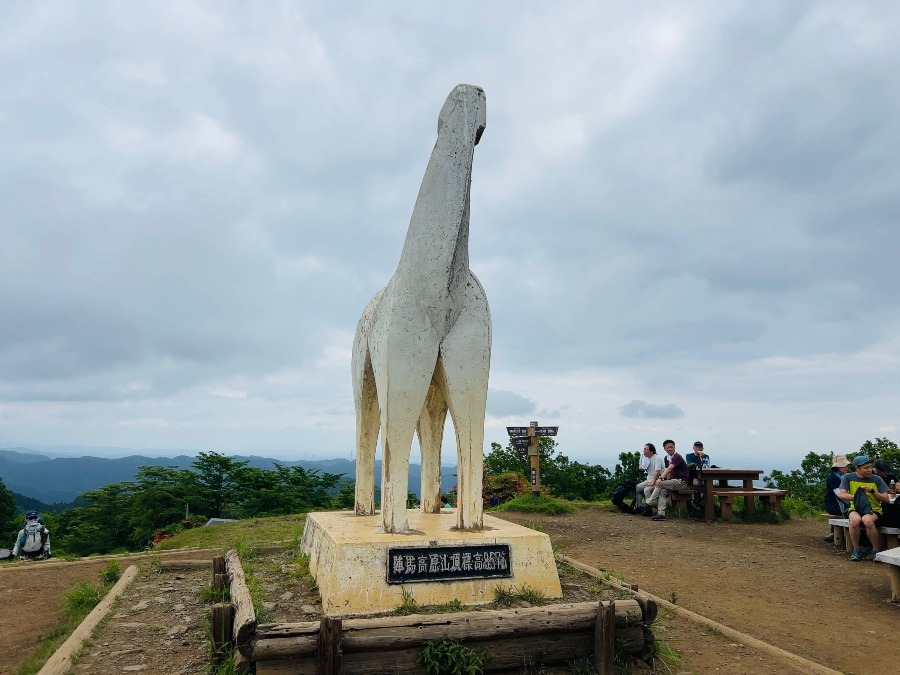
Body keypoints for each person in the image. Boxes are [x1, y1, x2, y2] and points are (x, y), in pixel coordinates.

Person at [839, 455, 889, 561]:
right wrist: (858, 497)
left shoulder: (877, 479)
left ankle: (875, 550)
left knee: (868, 520)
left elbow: (885, 498)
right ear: (857, 468)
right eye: (866, 467)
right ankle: (856, 549)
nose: (870, 470)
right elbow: (842, 495)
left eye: (871, 467)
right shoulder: (848, 477)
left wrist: (872, 491)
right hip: (856, 508)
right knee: (854, 520)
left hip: (874, 509)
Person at [646, 440, 689, 521]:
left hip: (681, 482)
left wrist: (661, 479)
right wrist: (666, 481)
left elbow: (669, 469)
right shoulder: (667, 458)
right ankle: (661, 514)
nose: (670, 449)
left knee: (659, 484)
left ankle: (649, 503)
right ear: (664, 449)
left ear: (674, 447)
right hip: (673, 482)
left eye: (671, 447)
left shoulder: (677, 457)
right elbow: (668, 472)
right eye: (667, 447)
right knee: (662, 491)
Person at [823, 454, 849, 542]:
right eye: (843, 465)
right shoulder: (833, 478)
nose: (846, 467)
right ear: (837, 467)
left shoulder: (844, 477)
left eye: (846, 465)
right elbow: (840, 495)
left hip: (842, 503)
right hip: (834, 505)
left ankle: (833, 533)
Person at [634, 443, 664, 508]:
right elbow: (642, 469)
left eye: (645, 449)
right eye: (644, 449)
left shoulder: (657, 458)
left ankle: (649, 508)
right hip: (649, 479)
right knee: (638, 487)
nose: (644, 451)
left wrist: (652, 482)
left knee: (647, 490)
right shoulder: (646, 458)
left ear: (651, 451)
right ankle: (639, 506)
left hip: (658, 480)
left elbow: (657, 471)